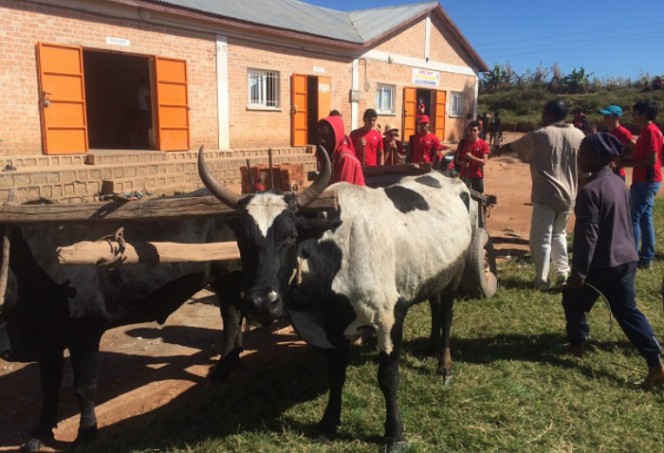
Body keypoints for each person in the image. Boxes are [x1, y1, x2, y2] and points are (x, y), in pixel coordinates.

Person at [561, 132, 664, 387]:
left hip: (602, 263)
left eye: (583, 152)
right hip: (627, 257)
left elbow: (587, 237)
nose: (579, 156)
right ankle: (655, 362)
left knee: (572, 299)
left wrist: (579, 273)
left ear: (598, 156)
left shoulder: (590, 191)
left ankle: (577, 344)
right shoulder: (619, 183)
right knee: (627, 310)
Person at [499, 100, 584, 290]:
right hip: (570, 195)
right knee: (559, 233)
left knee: (541, 238)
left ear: (550, 115)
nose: (542, 117)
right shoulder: (579, 135)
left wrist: (496, 150)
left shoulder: (540, 135)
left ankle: (542, 280)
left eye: (544, 113)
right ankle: (563, 272)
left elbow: (513, 147)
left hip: (546, 195)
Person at [616, 99, 663, 269]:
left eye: (635, 113)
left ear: (643, 114)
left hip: (646, 181)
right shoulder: (649, 131)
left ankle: (631, 257)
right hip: (647, 180)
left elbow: (652, 159)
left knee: (633, 218)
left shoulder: (650, 131)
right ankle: (647, 257)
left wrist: (626, 164)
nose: (633, 117)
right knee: (644, 218)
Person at [318, 115, 365, 186]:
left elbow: (340, 192)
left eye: (326, 136)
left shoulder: (345, 158)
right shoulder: (330, 155)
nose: (321, 140)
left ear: (336, 136)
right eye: (320, 136)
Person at [598, 104, 635, 181]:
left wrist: (623, 161)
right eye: (604, 115)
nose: (604, 117)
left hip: (617, 174)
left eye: (608, 115)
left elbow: (636, 148)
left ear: (617, 117)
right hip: (608, 172)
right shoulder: (609, 132)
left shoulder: (622, 132)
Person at [455, 120, 490, 193]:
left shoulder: (484, 144)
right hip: (463, 177)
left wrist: (471, 157)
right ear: (468, 131)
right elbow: (457, 159)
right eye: (470, 130)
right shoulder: (462, 143)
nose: (472, 132)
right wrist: (461, 163)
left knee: (477, 200)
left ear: (479, 131)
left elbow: (484, 162)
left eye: (475, 130)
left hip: (476, 178)